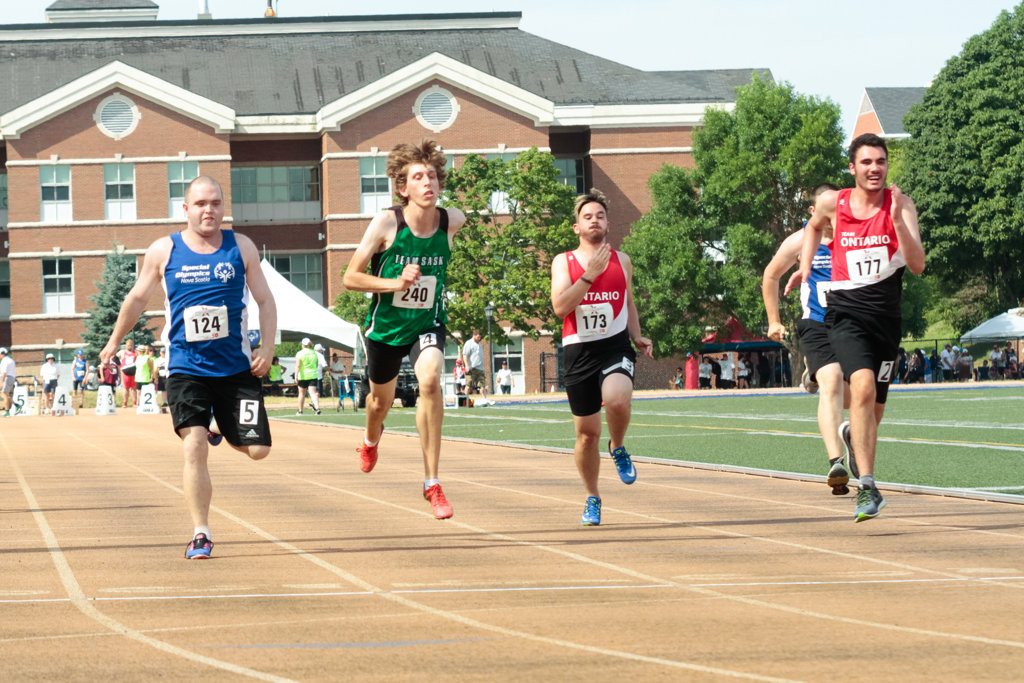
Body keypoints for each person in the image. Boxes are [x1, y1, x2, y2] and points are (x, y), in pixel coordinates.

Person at [100, 175, 277, 559]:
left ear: (223, 206)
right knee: (193, 447)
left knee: (258, 449)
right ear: (186, 209)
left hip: (235, 371)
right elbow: (136, 298)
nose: (209, 210)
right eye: (200, 204)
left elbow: (265, 300)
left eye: (215, 203)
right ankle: (201, 532)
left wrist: (267, 345)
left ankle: (220, 427)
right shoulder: (164, 251)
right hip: (186, 369)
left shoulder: (240, 246)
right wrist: (113, 342)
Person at [795, 133, 926, 522]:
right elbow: (813, 227)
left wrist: (899, 222)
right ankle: (868, 487)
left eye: (880, 162)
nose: (874, 169)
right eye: (866, 162)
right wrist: (805, 267)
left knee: (874, 409)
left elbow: (917, 265)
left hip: (886, 319)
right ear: (852, 168)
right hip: (845, 314)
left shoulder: (901, 205)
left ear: (887, 166)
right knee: (863, 387)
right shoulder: (833, 204)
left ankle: (853, 436)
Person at [342, 139, 467, 519]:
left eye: (432, 175)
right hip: (385, 330)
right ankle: (369, 439)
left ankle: (432, 482)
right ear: (403, 188)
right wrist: (395, 282)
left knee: (430, 380)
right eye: (418, 177)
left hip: (426, 323)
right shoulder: (386, 223)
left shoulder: (452, 221)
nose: (427, 182)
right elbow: (351, 277)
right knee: (380, 403)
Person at [550, 188, 653, 526]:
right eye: (587, 217)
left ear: (608, 224)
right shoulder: (563, 262)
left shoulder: (622, 261)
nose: (594, 221)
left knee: (618, 400)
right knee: (586, 435)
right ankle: (592, 496)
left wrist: (636, 335)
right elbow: (561, 307)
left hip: (614, 344)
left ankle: (619, 446)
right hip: (579, 349)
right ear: (577, 227)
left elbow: (629, 302)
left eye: (600, 216)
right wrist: (589, 274)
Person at [763, 182, 852, 495]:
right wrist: (774, 321)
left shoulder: (852, 238)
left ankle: (853, 435)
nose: (830, 217)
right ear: (814, 212)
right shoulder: (800, 241)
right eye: (824, 210)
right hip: (816, 323)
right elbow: (771, 275)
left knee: (857, 395)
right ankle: (836, 462)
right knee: (832, 383)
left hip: (852, 324)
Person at [461, 330, 490, 405]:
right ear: (473, 335)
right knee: (468, 385)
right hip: (471, 368)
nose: (479, 338)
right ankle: (465, 401)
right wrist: (467, 365)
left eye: (480, 337)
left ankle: (484, 399)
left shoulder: (479, 344)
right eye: (478, 337)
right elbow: (465, 355)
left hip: (480, 368)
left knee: (482, 385)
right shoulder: (469, 343)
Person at [294, 338, 321, 415]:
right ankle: (317, 408)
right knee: (313, 393)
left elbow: (298, 366)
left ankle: (300, 411)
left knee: (302, 394)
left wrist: (296, 376)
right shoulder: (314, 353)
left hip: (303, 376)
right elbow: (316, 364)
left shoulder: (300, 353)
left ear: (303, 345)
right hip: (313, 375)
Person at [117, 339, 139, 408]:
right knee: (126, 388)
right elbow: (114, 358)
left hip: (133, 373)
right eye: (128, 345)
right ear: (126, 346)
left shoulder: (135, 352)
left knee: (134, 388)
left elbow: (139, 360)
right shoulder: (122, 352)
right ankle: (125, 403)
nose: (130, 347)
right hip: (125, 373)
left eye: (131, 345)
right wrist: (120, 365)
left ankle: (134, 403)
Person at [0, 347, 15, 416]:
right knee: (6, 394)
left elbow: (4, 373)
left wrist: (1, 382)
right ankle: (16, 405)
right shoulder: (11, 360)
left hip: (6, 378)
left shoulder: (4, 361)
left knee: (4, 395)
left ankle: (7, 411)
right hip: (11, 378)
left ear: (2, 354)